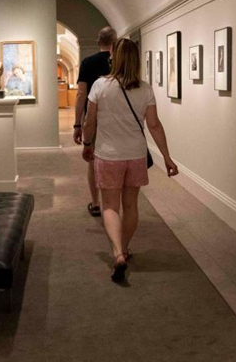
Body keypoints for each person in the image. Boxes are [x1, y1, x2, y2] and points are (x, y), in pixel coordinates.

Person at [82, 38, 179, 282]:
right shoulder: (145, 89)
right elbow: (154, 125)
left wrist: (86, 144)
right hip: (135, 155)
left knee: (111, 207)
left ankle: (117, 253)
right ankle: (124, 247)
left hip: (108, 155)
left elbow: (90, 121)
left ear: (113, 57)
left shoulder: (100, 86)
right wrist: (167, 157)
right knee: (132, 206)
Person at [73, 26, 116, 217]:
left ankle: (96, 202)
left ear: (98, 42)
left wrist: (77, 123)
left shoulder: (88, 62)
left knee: (92, 160)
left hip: (93, 117)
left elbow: (81, 93)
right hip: (117, 118)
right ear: (115, 42)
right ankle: (114, 203)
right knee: (116, 159)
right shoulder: (120, 63)